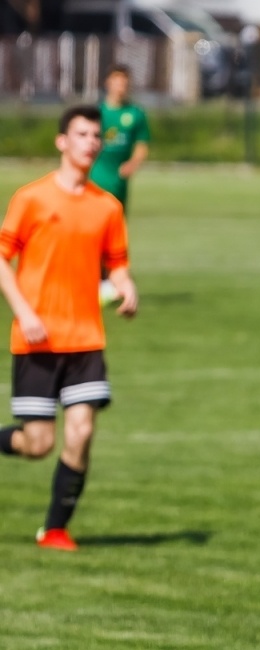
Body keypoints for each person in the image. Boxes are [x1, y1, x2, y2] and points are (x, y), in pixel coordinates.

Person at [0, 105, 138, 551]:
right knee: (38, 443)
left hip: (85, 341)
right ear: (62, 141)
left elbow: (116, 265)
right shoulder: (32, 198)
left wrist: (126, 286)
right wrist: (24, 311)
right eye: (81, 134)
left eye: (96, 135)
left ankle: (56, 529)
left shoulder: (108, 207)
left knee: (81, 433)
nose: (91, 142)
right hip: (37, 340)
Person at [89, 64, 149, 305]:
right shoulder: (96, 113)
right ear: (108, 83)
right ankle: (96, 280)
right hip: (95, 183)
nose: (120, 86)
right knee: (93, 234)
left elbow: (142, 144)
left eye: (124, 82)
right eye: (116, 81)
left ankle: (110, 280)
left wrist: (133, 163)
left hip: (118, 185)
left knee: (115, 236)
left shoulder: (135, 114)